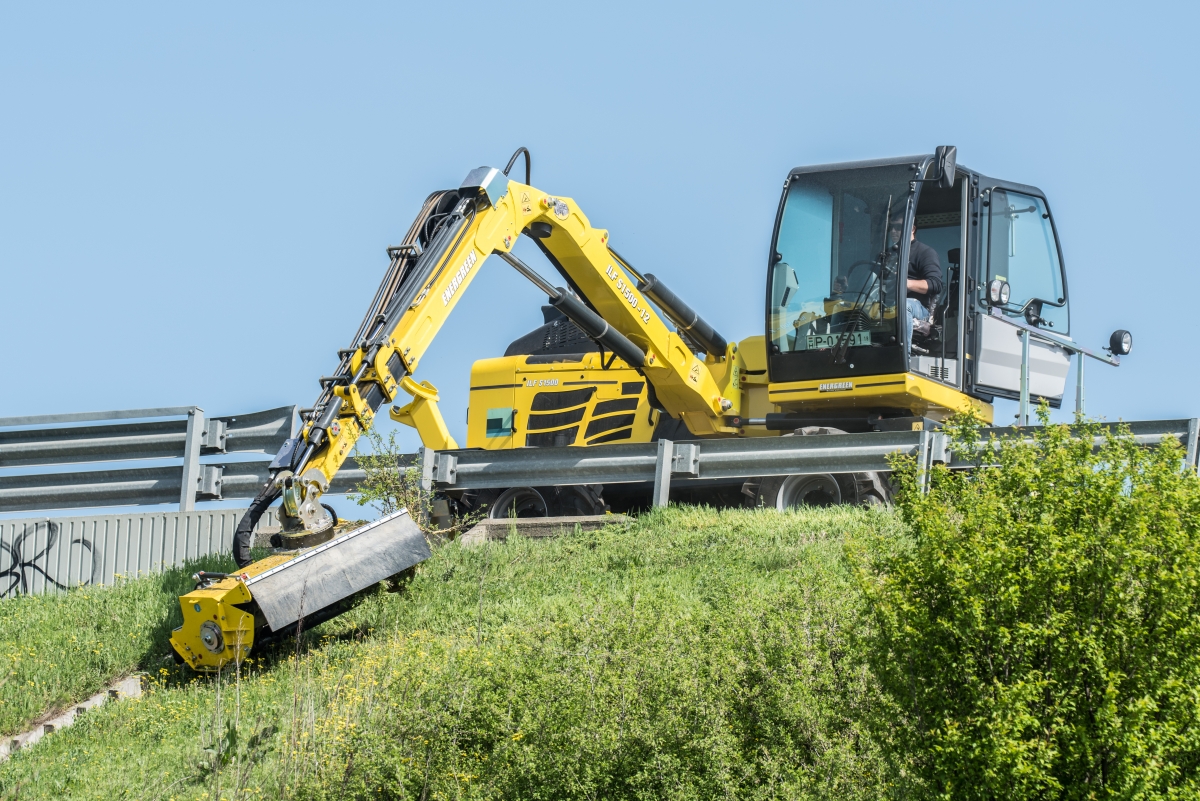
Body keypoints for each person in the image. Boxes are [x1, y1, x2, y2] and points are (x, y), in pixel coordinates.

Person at [905, 222, 942, 352]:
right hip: (887, 305)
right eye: (891, 227)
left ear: (913, 229)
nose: (893, 230)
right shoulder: (888, 255)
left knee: (904, 306)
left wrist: (905, 283)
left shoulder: (925, 252)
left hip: (918, 308)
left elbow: (935, 284)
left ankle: (904, 356)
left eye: (899, 226)